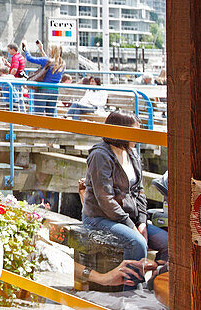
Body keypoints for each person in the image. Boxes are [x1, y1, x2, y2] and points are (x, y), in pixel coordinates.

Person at [82, 111, 168, 261]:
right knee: (137, 243)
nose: (137, 136)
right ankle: (132, 285)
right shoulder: (100, 155)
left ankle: (157, 278)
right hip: (100, 217)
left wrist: (141, 222)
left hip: (130, 217)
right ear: (120, 131)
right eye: (134, 131)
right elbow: (105, 199)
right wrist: (130, 225)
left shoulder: (131, 153)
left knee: (168, 242)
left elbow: (139, 191)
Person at [24, 42, 66, 116]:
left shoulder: (47, 61)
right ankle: (51, 127)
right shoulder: (62, 63)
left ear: (52, 51)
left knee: (38, 116)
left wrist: (26, 49)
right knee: (50, 117)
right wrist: (41, 50)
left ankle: (35, 127)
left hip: (42, 90)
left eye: (50, 49)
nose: (49, 50)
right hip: (54, 91)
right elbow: (49, 62)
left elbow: (29, 58)